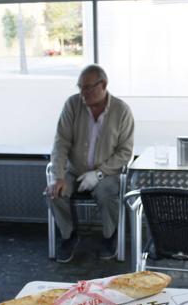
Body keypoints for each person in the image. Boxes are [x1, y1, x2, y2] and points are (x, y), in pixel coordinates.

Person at [47, 64, 134, 263]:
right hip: (75, 170)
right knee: (54, 193)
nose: (83, 93)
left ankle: (109, 236)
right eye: (80, 87)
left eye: (87, 87)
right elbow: (61, 143)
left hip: (107, 173)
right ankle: (69, 235)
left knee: (106, 192)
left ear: (103, 85)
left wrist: (99, 174)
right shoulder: (72, 105)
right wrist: (58, 177)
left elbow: (125, 152)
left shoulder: (121, 111)